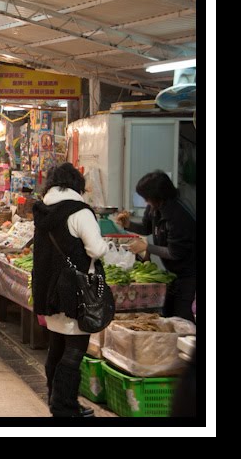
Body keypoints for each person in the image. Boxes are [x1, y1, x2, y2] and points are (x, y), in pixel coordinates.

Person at [32, 162, 108, 417]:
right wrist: (106, 247)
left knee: (56, 347)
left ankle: (57, 399)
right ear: (77, 184)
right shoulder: (80, 212)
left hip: (49, 291)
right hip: (74, 292)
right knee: (74, 351)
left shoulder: (43, 209)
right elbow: (96, 249)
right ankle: (64, 407)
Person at [117, 171, 196, 322]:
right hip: (171, 273)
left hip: (189, 274)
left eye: (147, 198)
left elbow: (175, 253)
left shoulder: (178, 215)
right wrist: (128, 224)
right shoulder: (154, 208)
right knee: (168, 314)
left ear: (158, 196)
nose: (145, 202)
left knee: (182, 317)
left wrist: (147, 247)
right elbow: (147, 228)